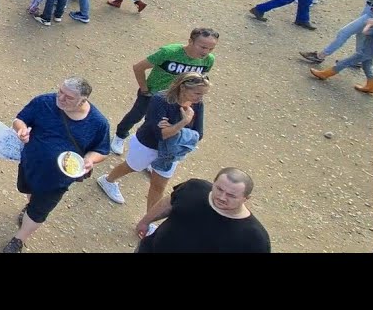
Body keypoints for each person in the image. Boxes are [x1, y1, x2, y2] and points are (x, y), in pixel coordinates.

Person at [3, 77, 110, 253]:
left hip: (58, 179)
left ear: (83, 100)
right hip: (30, 165)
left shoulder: (98, 123)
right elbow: (20, 119)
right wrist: (21, 129)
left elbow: (102, 150)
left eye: (68, 97)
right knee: (28, 192)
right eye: (60, 91)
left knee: (40, 211)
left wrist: (90, 159)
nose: (60, 98)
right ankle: (30, 206)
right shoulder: (44, 102)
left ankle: (18, 239)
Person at [98, 74, 209, 215]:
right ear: (183, 87)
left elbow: (198, 134)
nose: (200, 98)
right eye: (197, 93)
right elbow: (161, 134)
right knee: (132, 166)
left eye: (203, 94)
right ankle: (108, 180)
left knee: (159, 186)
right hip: (147, 144)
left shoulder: (198, 104)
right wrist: (184, 123)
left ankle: (148, 219)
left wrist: (173, 129)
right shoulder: (160, 99)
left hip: (170, 152)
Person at [111, 27, 219, 155]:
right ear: (190, 41)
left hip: (178, 100)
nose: (206, 52)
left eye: (211, 49)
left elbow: (200, 79)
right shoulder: (168, 53)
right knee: (136, 115)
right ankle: (120, 135)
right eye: (202, 47)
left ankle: (154, 149)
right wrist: (145, 90)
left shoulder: (209, 60)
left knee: (164, 125)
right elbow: (138, 67)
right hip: (153, 95)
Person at [135, 167, 271, 253]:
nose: (222, 197)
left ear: (246, 198)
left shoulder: (254, 237)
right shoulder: (194, 188)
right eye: (219, 189)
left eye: (231, 195)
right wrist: (145, 221)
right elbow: (169, 203)